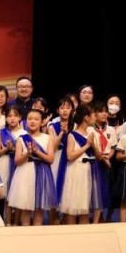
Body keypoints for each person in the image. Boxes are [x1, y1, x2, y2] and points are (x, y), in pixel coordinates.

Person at [7, 109, 57, 226]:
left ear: (42, 122)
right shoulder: (21, 138)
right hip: (25, 172)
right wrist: (27, 154)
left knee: (39, 210)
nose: (32, 121)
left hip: (42, 173)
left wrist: (37, 152)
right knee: (26, 208)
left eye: (36, 119)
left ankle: (37, 234)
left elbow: (50, 159)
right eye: (30, 119)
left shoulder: (48, 138)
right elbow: (17, 161)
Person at [59, 105, 102, 224]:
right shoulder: (72, 135)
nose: (95, 117)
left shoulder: (91, 134)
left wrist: (93, 145)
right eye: (93, 115)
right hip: (76, 170)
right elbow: (70, 156)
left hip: (88, 171)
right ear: (86, 118)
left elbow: (99, 156)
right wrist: (86, 146)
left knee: (85, 208)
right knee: (72, 208)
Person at [0, 106, 26, 226]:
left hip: (19, 164)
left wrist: (14, 149)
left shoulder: (24, 133)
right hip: (5, 162)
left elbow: (25, 152)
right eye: (9, 116)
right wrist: (7, 149)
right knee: (7, 194)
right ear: (6, 118)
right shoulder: (2, 132)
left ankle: (16, 221)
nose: (12, 119)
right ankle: (7, 222)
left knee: (17, 193)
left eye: (15, 116)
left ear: (20, 117)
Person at [47, 96, 74, 225]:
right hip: (57, 158)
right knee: (54, 188)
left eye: (68, 107)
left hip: (70, 160)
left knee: (68, 188)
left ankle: (66, 220)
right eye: (62, 108)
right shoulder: (52, 126)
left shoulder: (75, 125)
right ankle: (53, 220)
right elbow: (52, 146)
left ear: (72, 110)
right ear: (57, 110)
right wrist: (62, 133)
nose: (65, 110)